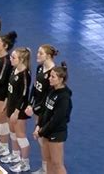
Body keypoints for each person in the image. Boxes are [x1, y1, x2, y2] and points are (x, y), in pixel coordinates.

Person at [33, 62, 72, 174]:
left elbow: (57, 120)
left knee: (57, 163)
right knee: (48, 160)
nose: (49, 79)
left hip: (56, 133)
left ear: (61, 79)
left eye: (53, 77)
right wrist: (38, 126)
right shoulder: (51, 90)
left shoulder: (64, 97)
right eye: (50, 76)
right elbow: (44, 110)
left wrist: (41, 131)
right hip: (45, 130)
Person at [25, 44, 59, 174]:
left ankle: (49, 170)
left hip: (47, 112)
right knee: (41, 140)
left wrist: (35, 108)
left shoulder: (53, 73)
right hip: (38, 110)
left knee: (45, 141)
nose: (37, 55)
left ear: (48, 56)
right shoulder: (40, 68)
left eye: (40, 53)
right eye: (38, 52)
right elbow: (35, 89)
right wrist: (30, 103)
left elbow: (48, 98)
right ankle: (45, 169)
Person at [1, 47, 32, 173]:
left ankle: (25, 162)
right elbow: (10, 90)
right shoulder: (14, 70)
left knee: (21, 136)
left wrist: (16, 112)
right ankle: (15, 155)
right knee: (12, 133)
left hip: (19, 110)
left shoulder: (24, 75)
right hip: (11, 106)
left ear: (21, 60)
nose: (10, 59)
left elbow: (24, 96)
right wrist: (6, 103)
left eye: (13, 57)